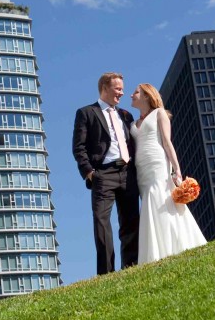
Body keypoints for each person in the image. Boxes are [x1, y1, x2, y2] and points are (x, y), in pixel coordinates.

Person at [130, 83, 206, 264]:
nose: (131, 95)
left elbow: (167, 142)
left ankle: (174, 246)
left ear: (147, 96)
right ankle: (154, 252)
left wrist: (176, 169)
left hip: (157, 163)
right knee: (149, 203)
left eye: (136, 92)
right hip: (141, 170)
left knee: (162, 200)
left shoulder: (160, 114)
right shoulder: (132, 123)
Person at [72, 72, 140, 276]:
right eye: (118, 88)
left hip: (128, 173)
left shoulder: (126, 115)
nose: (122, 92)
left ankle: (131, 267)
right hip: (103, 174)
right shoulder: (86, 113)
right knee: (102, 222)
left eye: (122, 88)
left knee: (130, 222)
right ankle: (106, 273)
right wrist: (89, 173)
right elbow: (78, 147)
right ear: (104, 88)